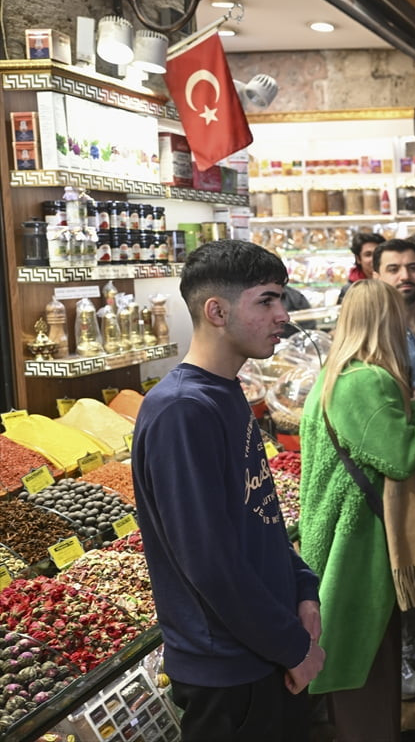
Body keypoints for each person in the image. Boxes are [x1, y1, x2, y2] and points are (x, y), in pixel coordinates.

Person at [132, 240, 325, 742]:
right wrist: (294, 647)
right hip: (230, 672)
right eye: (267, 300)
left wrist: (303, 587)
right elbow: (210, 563)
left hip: (261, 652)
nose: (283, 314)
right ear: (216, 311)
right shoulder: (181, 410)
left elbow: (257, 515)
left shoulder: (226, 390)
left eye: (281, 298)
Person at [298, 279, 415, 740]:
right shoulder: (367, 380)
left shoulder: (334, 374)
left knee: (362, 649)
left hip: (342, 531)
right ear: (389, 319)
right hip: (361, 537)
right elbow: (400, 455)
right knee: (364, 655)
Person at [374, 238, 415, 375]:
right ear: (376, 277)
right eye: (393, 270)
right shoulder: (371, 330)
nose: (405, 276)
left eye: (412, 268)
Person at [338, 232, 384, 304]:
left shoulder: (392, 282)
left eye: (377, 253)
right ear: (358, 259)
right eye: (368, 254)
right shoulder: (349, 289)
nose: (374, 259)